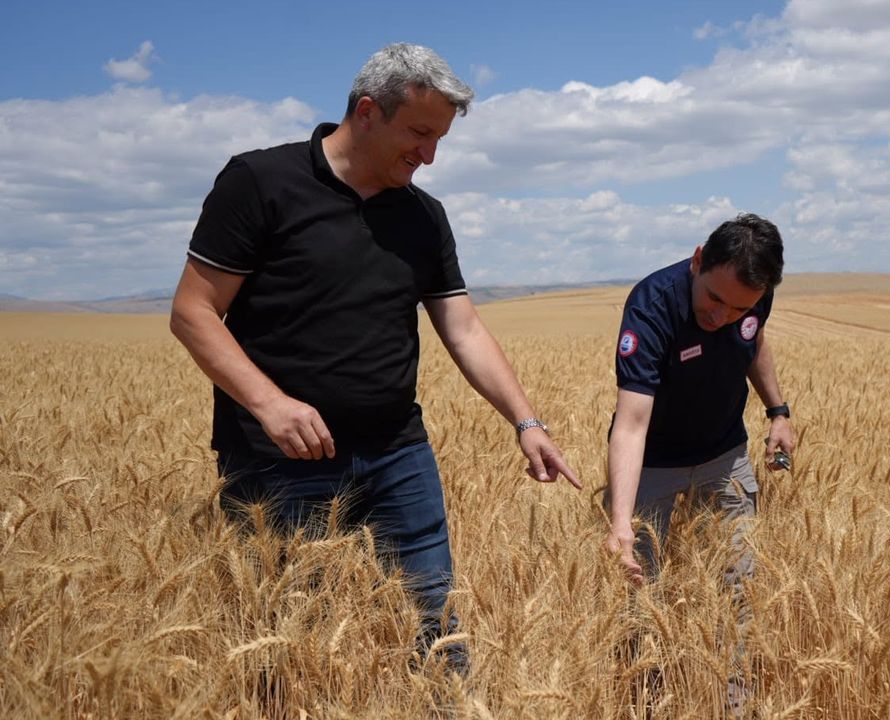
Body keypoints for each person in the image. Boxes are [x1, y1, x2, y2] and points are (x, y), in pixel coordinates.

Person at [170, 43, 579, 673]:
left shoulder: (422, 215)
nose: (430, 155)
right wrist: (269, 403)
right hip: (280, 463)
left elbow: (463, 328)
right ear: (367, 111)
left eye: (440, 138)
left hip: (397, 454)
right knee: (286, 643)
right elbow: (194, 311)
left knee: (436, 626)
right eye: (419, 133)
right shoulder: (260, 182)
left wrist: (526, 422)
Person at [603, 213, 796, 712]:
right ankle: (646, 701)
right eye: (714, 300)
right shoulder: (652, 305)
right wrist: (621, 520)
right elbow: (631, 424)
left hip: (724, 454)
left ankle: (735, 701)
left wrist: (778, 411)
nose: (722, 317)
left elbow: (752, 343)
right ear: (697, 261)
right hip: (655, 461)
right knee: (639, 593)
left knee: (741, 585)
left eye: (740, 308)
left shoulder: (752, 295)